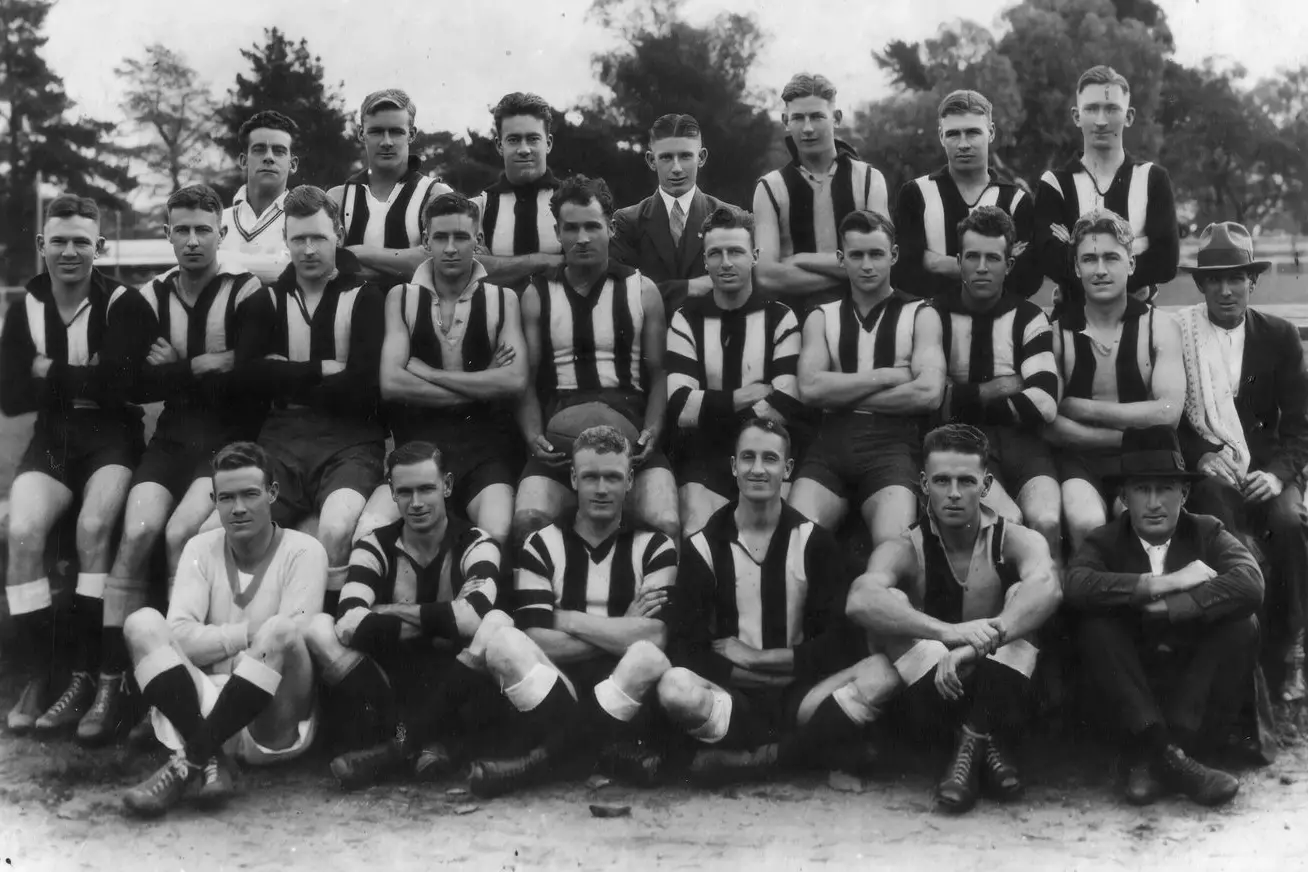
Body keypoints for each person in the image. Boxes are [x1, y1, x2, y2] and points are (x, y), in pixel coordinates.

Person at [86, 185, 264, 745]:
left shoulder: (246, 290)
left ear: (221, 233)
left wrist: (176, 367)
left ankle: (177, 686)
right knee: (137, 533)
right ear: (167, 234)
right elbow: (127, 383)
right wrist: (204, 364)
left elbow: (251, 376)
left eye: (202, 229)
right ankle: (112, 682)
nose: (192, 240)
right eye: (181, 230)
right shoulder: (147, 297)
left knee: (180, 534)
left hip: (226, 445)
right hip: (170, 442)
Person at [655, 419, 892, 785]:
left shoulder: (814, 542)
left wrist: (758, 658)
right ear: (733, 466)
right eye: (748, 457)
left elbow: (839, 642)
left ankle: (764, 761)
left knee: (883, 672)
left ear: (788, 469)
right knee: (674, 686)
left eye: (770, 458)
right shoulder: (704, 546)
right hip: (735, 698)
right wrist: (755, 673)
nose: (758, 469)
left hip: (802, 695)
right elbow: (687, 648)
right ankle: (808, 752)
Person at [846, 424, 1061, 813]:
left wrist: (976, 646)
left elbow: (1049, 588)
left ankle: (968, 745)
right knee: (891, 602)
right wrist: (950, 632)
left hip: (1003, 685)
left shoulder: (1014, 538)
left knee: (1023, 596)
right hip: (935, 694)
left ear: (986, 484)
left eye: (966, 481)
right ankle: (984, 744)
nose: (955, 493)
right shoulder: (906, 546)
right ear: (924, 484)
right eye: (942, 481)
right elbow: (860, 600)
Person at [1, 194, 155, 735]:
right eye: (60, 241)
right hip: (52, 437)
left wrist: (49, 370)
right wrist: (85, 378)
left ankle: (88, 674)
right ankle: (41, 674)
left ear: (100, 246)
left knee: (93, 527)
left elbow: (120, 388)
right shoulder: (24, 307)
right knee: (23, 531)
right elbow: (10, 397)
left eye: (81, 242)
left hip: (111, 438)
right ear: (41, 244)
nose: (70, 252)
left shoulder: (123, 303)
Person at [466, 426, 679, 797]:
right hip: (556, 687)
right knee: (502, 643)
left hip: (621, 690)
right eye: (591, 477)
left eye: (613, 477)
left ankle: (540, 762)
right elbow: (536, 638)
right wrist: (622, 628)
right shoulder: (540, 544)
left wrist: (567, 619)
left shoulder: (655, 545)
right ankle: (601, 752)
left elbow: (656, 637)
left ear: (630, 480)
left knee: (645, 658)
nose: (601, 489)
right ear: (574, 479)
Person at [119, 442, 325, 818]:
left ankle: (187, 762)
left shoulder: (304, 550)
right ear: (214, 501)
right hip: (202, 709)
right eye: (227, 498)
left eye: (250, 494)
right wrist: (246, 637)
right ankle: (209, 756)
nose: (239, 508)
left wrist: (218, 647)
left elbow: (291, 639)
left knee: (280, 631)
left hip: (271, 724)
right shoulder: (200, 548)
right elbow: (178, 635)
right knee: (142, 623)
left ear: (272, 493)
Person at [1065, 426, 1262, 808]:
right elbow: (1075, 585)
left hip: (1192, 695)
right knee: (1095, 628)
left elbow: (1251, 582)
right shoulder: (1104, 540)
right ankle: (1168, 757)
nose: (1154, 503)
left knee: (1243, 623)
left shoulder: (1207, 531)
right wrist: (1162, 584)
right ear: (1124, 497)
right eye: (1142, 489)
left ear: (1184, 493)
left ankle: (1160, 759)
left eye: (1165, 489)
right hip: (1134, 697)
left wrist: (1172, 607)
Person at [303, 441, 505, 789]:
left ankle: (397, 748)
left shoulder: (476, 542)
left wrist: (385, 611)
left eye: (426, 489)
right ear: (392, 493)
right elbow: (348, 623)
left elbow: (473, 619)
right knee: (319, 628)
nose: (416, 503)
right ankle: (421, 742)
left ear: (447, 485)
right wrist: (444, 619)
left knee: (497, 625)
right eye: (405, 492)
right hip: (391, 680)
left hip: (453, 677)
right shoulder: (373, 544)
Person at [233, 185, 386, 612]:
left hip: (351, 439)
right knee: (243, 524)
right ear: (285, 239)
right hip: (281, 438)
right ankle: (251, 631)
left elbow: (364, 386)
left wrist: (282, 374)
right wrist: (322, 369)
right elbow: (246, 378)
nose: (309, 249)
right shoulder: (266, 300)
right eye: (298, 238)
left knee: (335, 528)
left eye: (318, 237)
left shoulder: (366, 297)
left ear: (338, 234)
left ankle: (330, 631)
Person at [1173, 222, 1308, 701]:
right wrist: (1202, 456)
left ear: (1252, 281)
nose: (1226, 290)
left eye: (1236, 278)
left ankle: (1291, 650)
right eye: (1215, 280)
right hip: (1210, 469)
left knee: (1289, 522)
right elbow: (1173, 418)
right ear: (1201, 285)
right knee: (1220, 526)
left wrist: (1277, 476)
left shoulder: (1280, 335)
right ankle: (1236, 651)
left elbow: (1300, 426)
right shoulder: (1181, 335)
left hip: (1267, 468)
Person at [513, 174, 678, 545]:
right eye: (571, 228)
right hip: (561, 440)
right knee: (527, 520)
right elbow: (526, 379)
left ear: (611, 228)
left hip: (629, 432)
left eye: (592, 226)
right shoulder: (537, 294)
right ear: (557, 232)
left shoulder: (642, 290)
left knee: (665, 522)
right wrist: (533, 435)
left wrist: (653, 431)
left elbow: (659, 373)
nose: (582, 238)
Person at [361, 192, 527, 544]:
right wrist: (482, 384)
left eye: (461, 237)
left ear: (478, 240)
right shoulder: (401, 297)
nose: (451, 248)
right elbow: (392, 383)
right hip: (415, 454)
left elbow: (514, 381)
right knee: (367, 533)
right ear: (426, 240)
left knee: (495, 534)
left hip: (485, 455)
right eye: (440, 237)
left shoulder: (504, 299)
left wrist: (428, 372)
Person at [789, 210, 946, 549]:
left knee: (895, 544)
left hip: (892, 446)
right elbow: (810, 389)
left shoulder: (921, 313)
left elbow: (929, 394)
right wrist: (886, 376)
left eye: (876, 254)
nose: (867, 265)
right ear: (840, 259)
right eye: (856, 255)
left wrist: (840, 394)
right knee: (796, 540)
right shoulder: (821, 315)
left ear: (894, 255)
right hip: (830, 446)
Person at [1046, 209, 1185, 552]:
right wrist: (1126, 435)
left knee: (1134, 521)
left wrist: (1080, 407)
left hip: (1148, 462)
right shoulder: (1057, 334)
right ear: (1076, 267)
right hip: (1081, 462)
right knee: (1085, 521)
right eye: (1089, 259)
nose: (1100, 270)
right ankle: (1089, 588)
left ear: (1131, 264)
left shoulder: (1160, 327)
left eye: (1111, 258)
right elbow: (1049, 423)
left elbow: (1168, 413)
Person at [932, 207, 1062, 564]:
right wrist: (1001, 387)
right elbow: (931, 401)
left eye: (992, 258)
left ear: (1009, 264)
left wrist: (960, 398)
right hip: (959, 447)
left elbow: (1044, 403)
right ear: (958, 261)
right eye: (972, 257)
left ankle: (1053, 599)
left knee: (1047, 521)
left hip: (1022, 444)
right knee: (1008, 522)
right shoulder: (933, 315)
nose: (982, 267)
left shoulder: (1029, 317)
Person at [665, 207, 802, 534]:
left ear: (754, 256)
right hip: (704, 455)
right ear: (705, 261)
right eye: (716, 253)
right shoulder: (686, 318)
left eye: (736, 252)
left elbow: (785, 405)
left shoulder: (780, 317)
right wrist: (747, 395)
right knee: (698, 532)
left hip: (765, 450)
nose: (725, 262)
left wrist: (711, 405)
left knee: (774, 534)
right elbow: (680, 407)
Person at [1034, 65, 1178, 312]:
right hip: (1073, 321)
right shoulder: (1055, 183)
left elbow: (1165, 262)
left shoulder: (1152, 178)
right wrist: (1133, 249)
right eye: (1091, 109)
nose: (1101, 121)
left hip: (1138, 320)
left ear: (1129, 116)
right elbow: (1050, 262)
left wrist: (1076, 250)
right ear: (1076, 116)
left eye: (1111, 109)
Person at [753, 73, 889, 306]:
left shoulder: (869, 179)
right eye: (798, 118)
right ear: (785, 121)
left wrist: (801, 259)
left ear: (836, 118)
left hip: (862, 317)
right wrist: (853, 275)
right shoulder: (770, 187)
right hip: (796, 320)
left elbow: (882, 261)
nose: (807, 128)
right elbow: (767, 276)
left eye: (817, 117)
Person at [892, 90, 1041, 300]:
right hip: (930, 315)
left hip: (998, 319)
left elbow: (1027, 279)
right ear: (941, 136)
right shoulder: (915, 193)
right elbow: (903, 270)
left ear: (991, 132)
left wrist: (935, 262)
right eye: (953, 134)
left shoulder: (1017, 201)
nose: (963, 144)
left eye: (973, 132)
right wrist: (993, 264)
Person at [612, 113, 732, 313]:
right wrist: (690, 287)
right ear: (651, 160)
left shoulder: (729, 218)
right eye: (666, 157)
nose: (676, 168)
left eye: (685, 156)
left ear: (701, 157)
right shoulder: (627, 222)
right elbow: (620, 293)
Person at [328, 89, 451, 283]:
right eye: (376, 131)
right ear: (361, 133)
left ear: (411, 134)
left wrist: (355, 253)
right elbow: (322, 261)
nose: (386, 142)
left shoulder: (436, 195)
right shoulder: (337, 198)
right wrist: (402, 265)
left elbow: (441, 261)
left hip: (414, 303)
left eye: (396, 132)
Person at [471, 92, 563, 290]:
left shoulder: (570, 200)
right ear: (499, 145)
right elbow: (470, 269)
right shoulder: (480, 206)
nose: (524, 149)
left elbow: (585, 266)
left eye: (533, 139)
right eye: (513, 140)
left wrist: (498, 266)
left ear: (548, 143)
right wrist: (545, 260)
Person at [220, 110, 298, 282]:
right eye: (259, 150)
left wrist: (220, 260)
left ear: (292, 164)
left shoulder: (303, 222)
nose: (269, 157)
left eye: (279, 151)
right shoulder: (218, 221)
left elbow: (295, 272)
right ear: (243, 161)